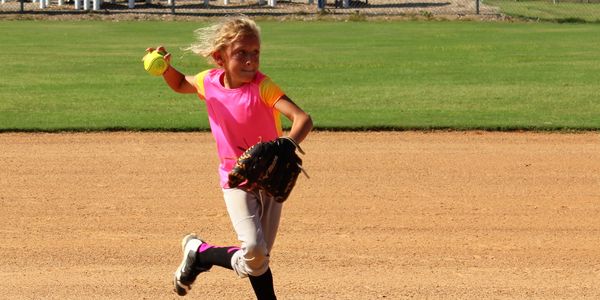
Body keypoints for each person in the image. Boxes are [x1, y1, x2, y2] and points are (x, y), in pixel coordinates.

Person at [145, 15, 313, 299]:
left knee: (258, 259)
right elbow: (180, 84)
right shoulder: (208, 82)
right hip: (235, 178)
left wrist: (287, 142)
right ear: (219, 58)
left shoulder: (262, 86)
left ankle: (199, 253)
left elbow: (302, 118)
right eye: (241, 53)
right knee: (255, 251)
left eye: (255, 53)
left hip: (270, 178)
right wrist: (165, 68)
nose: (250, 60)